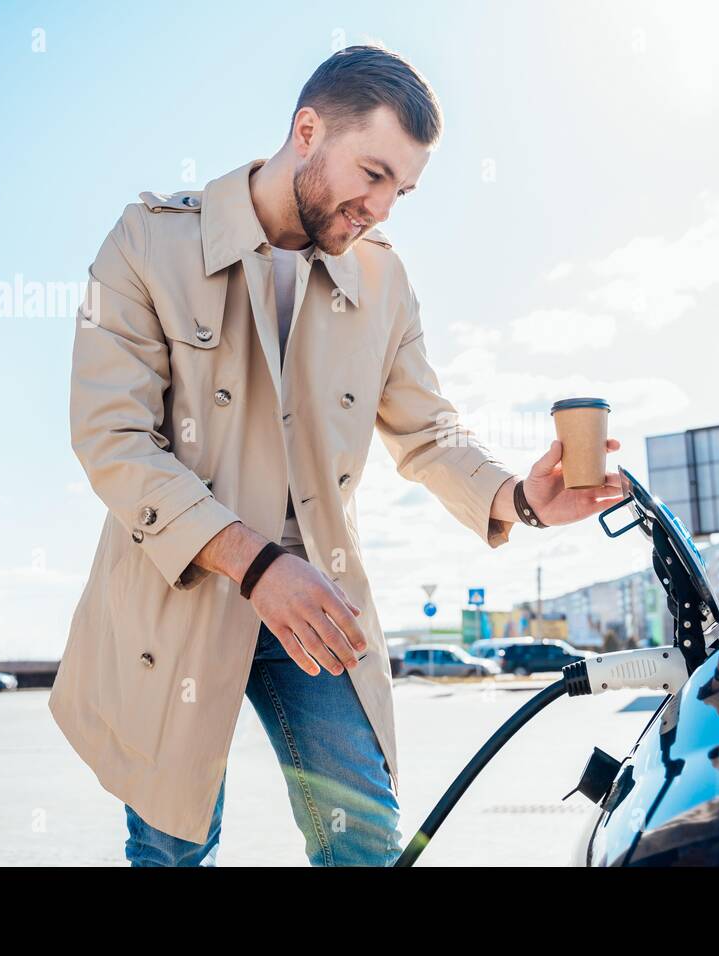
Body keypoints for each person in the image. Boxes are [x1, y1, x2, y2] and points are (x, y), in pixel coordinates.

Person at [49, 44, 624, 866]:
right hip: (180, 588)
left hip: (316, 602)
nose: (383, 207)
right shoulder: (148, 242)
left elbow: (429, 432)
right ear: (308, 131)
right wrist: (253, 565)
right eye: (374, 174)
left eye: (402, 190)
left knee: (365, 842)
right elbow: (112, 437)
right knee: (174, 845)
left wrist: (518, 499)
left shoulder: (385, 284)